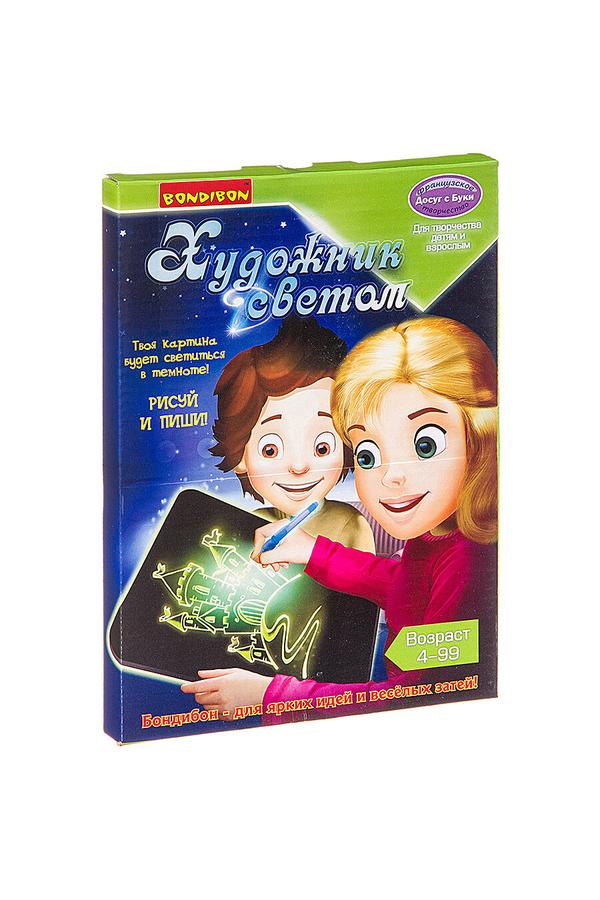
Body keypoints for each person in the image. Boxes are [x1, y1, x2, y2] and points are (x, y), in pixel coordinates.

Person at [182, 316, 497, 718]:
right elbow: (404, 586)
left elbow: (419, 696)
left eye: (426, 444)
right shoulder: (436, 531)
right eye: (368, 453)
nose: (391, 475)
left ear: (482, 438)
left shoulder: (469, 559)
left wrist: (270, 696)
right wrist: (313, 550)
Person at [209, 316, 374, 551]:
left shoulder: (350, 525)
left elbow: (366, 575)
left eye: (322, 448)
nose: (299, 467)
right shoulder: (251, 524)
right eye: (270, 450)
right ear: (240, 457)